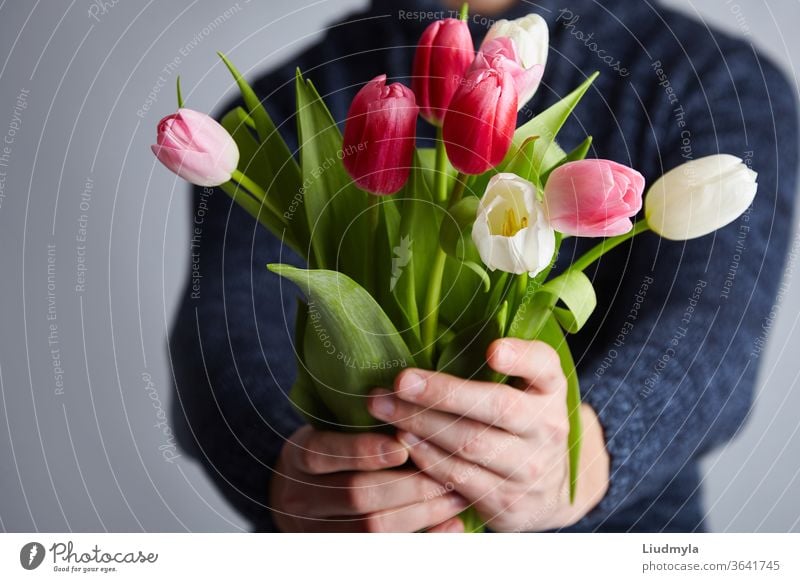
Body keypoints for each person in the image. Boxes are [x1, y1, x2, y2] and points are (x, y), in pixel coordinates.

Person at [168, 0, 799, 532]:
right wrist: (290, 471)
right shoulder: (284, 104)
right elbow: (225, 324)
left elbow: (710, 326)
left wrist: (585, 453)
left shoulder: (715, 84)